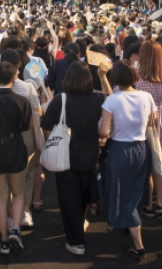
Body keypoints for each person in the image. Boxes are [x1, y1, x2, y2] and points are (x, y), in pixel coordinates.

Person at [41, 61, 105, 255]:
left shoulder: (61, 99)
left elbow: (46, 127)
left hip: (65, 156)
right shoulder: (99, 99)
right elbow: (112, 104)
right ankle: (80, 224)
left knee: (69, 198)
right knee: (84, 195)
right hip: (90, 156)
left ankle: (76, 241)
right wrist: (103, 77)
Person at [98, 60, 154, 260]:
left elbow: (104, 131)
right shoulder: (146, 97)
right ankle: (130, 225)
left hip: (120, 148)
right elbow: (152, 120)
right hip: (141, 147)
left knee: (121, 191)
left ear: (115, 79)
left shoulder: (112, 101)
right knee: (136, 190)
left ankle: (138, 244)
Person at [0, 62, 32, 255]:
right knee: (18, 193)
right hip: (17, 152)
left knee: (1, 198)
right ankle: (16, 230)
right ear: (14, 77)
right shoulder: (22, 101)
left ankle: (3, 240)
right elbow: (25, 127)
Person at [135, 41, 162, 217]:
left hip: (145, 118)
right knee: (160, 162)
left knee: (147, 163)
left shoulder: (138, 76)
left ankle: (148, 203)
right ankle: (160, 201)